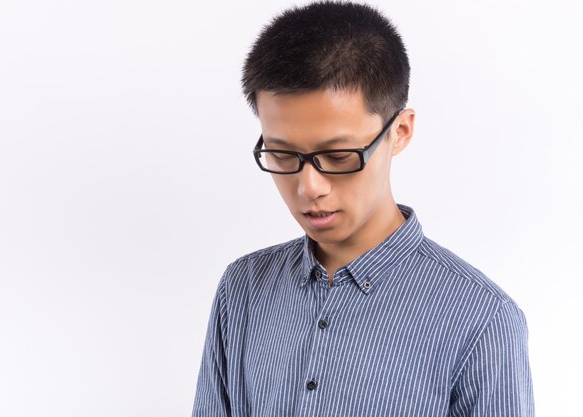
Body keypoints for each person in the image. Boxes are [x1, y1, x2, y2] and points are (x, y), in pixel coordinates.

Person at [191, 2, 534, 416]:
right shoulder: (243, 289)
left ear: (400, 131)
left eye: (338, 156)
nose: (308, 188)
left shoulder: (481, 321)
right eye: (282, 155)